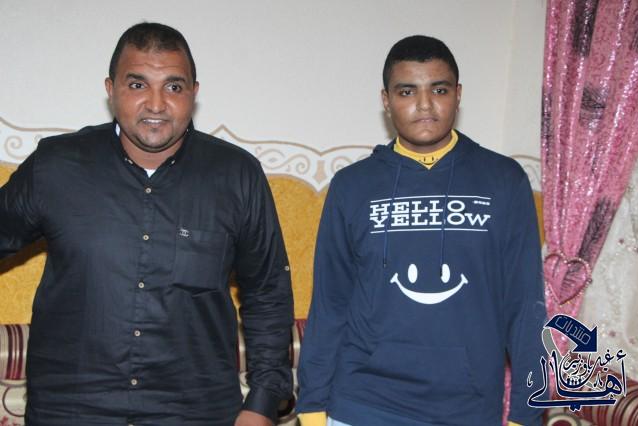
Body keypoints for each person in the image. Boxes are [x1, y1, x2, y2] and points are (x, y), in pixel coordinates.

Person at [0, 22, 293, 426]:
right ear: (111, 89)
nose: (156, 104)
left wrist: (261, 404)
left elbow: (268, 291)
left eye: (173, 86)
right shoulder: (57, 165)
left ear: (194, 93)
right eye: (137, 85)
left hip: (195, 412)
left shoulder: (237, 175)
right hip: (72, 410)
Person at [296, 35, 546, 426]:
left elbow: (525, 305)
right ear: (386, 100)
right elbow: (330, 304)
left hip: (467, 409)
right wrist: (312, 408)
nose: (425, 104)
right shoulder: (352, 186)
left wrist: (526, 414)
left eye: (439, 90)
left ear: (458, 95)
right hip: (363, 405)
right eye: (407, 91)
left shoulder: (503, 181)